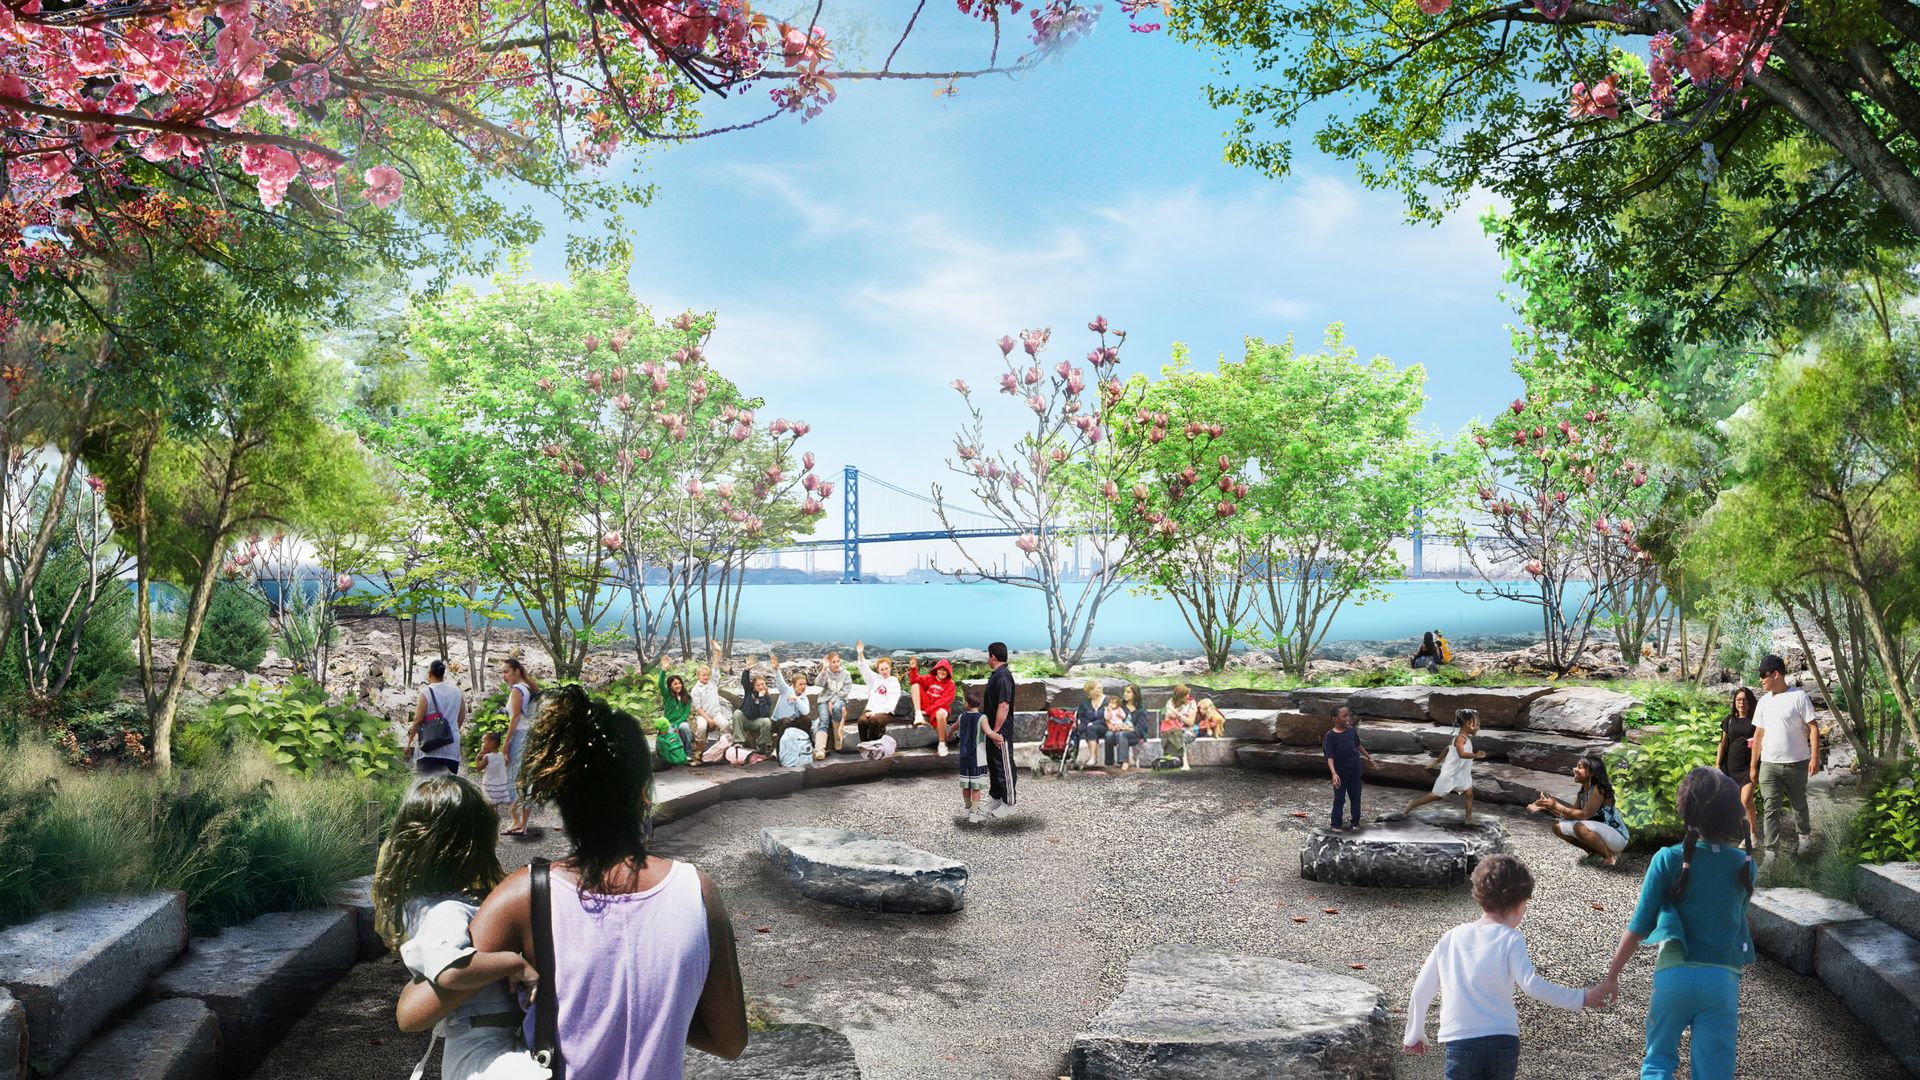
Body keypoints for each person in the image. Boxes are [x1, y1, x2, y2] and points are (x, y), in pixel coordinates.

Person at [399, 685, 749, 1074]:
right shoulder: (697, 892)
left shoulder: (524, 896)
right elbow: (729, 1041)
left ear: (561, 800)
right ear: (643, 795)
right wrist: (657, 1005)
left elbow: (414, 1014)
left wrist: (508, 964)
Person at [373, 775, 545, 1080]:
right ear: (472, 845)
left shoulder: (431, 904)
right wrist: (513, 962)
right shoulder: (446, 912)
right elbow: (451, 970)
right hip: (482, 1053)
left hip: (481, 1045)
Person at [1598, 768, 1756, 1080]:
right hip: (1721, 981)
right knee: (1714, 1071)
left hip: (1673, 975)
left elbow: (1639, 925)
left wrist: (1612, 975)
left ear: (1684, 809)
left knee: (1658, 1062)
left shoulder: (1667, 859)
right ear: (1732, 815)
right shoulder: (1744, 866)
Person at [1403, 854, 1602, 1079]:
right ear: (1519, 903)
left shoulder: (1452, 937)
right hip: (1503, 1038)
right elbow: (1531, 985)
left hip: (1461, 1039)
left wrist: (1415, 1031)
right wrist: (1580, 997)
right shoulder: (1511, 939)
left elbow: (1422, 989)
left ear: (1479, 894)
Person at [1750, 654, 1820, 864]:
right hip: (1769, 765)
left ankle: (1804, 840)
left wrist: (1814, 757)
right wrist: (1754, 765)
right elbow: (1758, 735)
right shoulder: (1763, 701)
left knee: (1799, 805)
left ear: (1776, 674)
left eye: (1764, 674)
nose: (1761, 679)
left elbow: (1813, 728)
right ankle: (1771, 853)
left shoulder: (1799, 696)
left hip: (1796, 763)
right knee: (1770, 808)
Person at [1530, 753, 1630, 868]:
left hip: (1617, 836)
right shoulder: (1583, 792)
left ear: (1592, 773)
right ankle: (1595, 852)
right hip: (1600, 833)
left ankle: (1609, 857)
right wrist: (1549, 807)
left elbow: (1583, 815)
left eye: (1580, 767)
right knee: (1557, 826)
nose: (1575, 770)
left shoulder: (1598, 789)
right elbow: (1571, 814)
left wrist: (1556, 805)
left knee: (1580, 827)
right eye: (1576, 767)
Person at [1401, 709, 1486, 822]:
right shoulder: (1460, 739)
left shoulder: (1463, 739)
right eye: (1478, 724)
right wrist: (1475, 755)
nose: (1479, 727)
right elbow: (1461, 754)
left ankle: (1469, 819)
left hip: (1461, 773)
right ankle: (1412, 804)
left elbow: (1447, 749)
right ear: (1469, 723)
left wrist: (1437, 761)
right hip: (1451, 774)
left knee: (1469, 793)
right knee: (1437, 796)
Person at [1714, 687, 1760, 850]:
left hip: (1748, 767)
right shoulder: (1729, 720)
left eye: (1745, 700)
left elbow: (1762, 740)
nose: (1741, 703)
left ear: (1750, 702)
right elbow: (1723, 743)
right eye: (1739, 700)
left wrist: (1755, 742)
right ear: (1735, 702)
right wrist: (1718, 765)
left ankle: (1753, 834)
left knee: (1746, 800)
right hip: (1729, 767)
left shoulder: (1756, 720)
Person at [499, 658, 541, 837]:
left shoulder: (518, 690)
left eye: (506, 672)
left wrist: (505, 744)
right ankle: (523, 825)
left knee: (512, 779)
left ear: (516, 671)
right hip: (532, 736)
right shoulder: (530, 688)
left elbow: (515, 718)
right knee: (527, 781)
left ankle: (516, 820)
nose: (504, 676)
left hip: (520, 736)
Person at [410, 659, 468, 777]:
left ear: (429, 674)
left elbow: (418, 720)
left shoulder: (426, 692)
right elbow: (462, 716)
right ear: (443, 674)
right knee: (449, 787)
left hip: (429, 748)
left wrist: (409, 742)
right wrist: (451, 731)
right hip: (451, 748)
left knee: (426, 788)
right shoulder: (457, 692)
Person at [981, 641, 1018, 817]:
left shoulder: (1003, 676)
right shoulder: (996, 675)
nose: (988, 659)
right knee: (994, 765)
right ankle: (996, 798)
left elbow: (1003, 706)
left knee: (1004, 765)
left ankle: (1009, 803)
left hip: (1000, 731)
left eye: (988, 656)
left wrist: (995, 732)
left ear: (992, 656)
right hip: (992, 729)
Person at [1323, 706, 1377, 832]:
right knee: (1339, 799)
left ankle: (1355, 822)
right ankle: (1336, 824)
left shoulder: (1351, 731)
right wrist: (1334, 774)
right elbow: (1329, 757)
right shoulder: (1330, 736)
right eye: (1344, 716)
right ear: (1335, 718)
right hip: (1340, 772)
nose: (1348, 718)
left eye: (1348, 715)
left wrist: (1369, 757)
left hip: (1355, 770)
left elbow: (1358, 745)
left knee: (1356, 797)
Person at [908, 657, 959, 758]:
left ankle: (942, 743)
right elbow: (914, 680)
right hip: (927, 704)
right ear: (936, 669)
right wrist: (913, 668)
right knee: (915, 686)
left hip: (939, 708)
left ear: (948, 672)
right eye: (940, 669)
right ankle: (918, 714)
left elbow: (944, 702)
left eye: (945, 670)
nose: (942, 672)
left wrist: (928, 711)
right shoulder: (929, 678)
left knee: (941, 713)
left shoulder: (950, 685)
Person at [728, 651, 776, 756]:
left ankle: (761, 745)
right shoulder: (749, 691)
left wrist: (762, 698)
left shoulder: (767, 698)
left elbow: (765, 714)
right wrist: (747, 669)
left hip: (757, 722)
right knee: (737, 713)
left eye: (762, 684)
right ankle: (738, 742)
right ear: (754, 686)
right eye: (758, 685)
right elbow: (744, 681)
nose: (760, 687)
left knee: (767, 721)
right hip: (746, 719)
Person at [854, 640, 902, 744]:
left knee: (874, 721)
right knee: (862, 721)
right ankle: (864, 745)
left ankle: (873, 745)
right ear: (878, 670)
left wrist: (874, 713)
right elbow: (864, 668)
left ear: (890, 668)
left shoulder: (894, 682)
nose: (884, 671)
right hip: (871, 710)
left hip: (885, 712)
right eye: (882, 669)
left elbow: (891, 702)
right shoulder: (875, 679)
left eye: (886, 668)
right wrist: (860, 653)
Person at [956, 687, 990, 821]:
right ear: (979, 703)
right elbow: (988, 732)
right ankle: (974, 814)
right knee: (976, 786)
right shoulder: (982, 718)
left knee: (966, 784)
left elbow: (953, 727)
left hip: (964, 756)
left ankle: (967, 809)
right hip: (978, 757)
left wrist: (948, 734)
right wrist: (998, 737)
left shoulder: (961, 716)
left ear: (966, 703)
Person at [813, 650, 853, 759]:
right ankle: (820, 750)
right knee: (824, 720)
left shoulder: (845, 674)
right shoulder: (826, 672)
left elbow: (846, 690)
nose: (836, 664)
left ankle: (837, 740)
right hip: (824, 700)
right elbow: (818, 683)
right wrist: (823, 670)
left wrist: (833, 700)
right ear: (829, 663)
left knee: (836, 707)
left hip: (839, 699)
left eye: (838, 661)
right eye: (833, 662)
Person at [688, 662, 726, 763]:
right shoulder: (695, 690)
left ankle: (721, 750)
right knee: (701, 727)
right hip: (703, 715)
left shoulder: (713, 683)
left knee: (725, 725)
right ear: (698, 676)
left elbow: (716, 666)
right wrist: (709, 720)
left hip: (716, 714)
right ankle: (698, 752)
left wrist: (716, 652)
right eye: (703, 675)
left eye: (708, 675)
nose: (706, 677)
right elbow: (698, 708)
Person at [658, 667, 696, 763]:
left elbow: (685, 714)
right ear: (670, 686)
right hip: (669, 723)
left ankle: (688, 753)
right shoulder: (667, 695)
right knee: (671, 734)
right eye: (675, 684)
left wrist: (677, 725)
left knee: (685, 728)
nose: (678, 685)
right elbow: (660, 684)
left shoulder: (687, 698)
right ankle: (672, 756)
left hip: (681, 722)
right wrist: (663, 670)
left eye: (679, 683)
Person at [1072, 679, 1111, 771]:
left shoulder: (1108, 700)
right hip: (1088, 726)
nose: (1101, 689)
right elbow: (1081, 717)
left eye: (1101, 687)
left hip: (1104, 726)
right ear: (1091, 690)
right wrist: (1085, 724)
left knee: (1091, 729)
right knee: (1076, 730)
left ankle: (1093, 757)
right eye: (1098, 688)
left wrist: (1093, 723)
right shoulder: (1085, 703)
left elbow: (1109, 717)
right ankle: (1072, 756)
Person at [1103, 688, 1142, 770]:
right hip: (1117, 730)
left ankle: (1124, 761)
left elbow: (1142, 726)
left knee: (1121, 734)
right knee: (1108, 734)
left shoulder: (1140, 709)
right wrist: (1109, 725)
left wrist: (1128, 728)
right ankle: (1109, 763)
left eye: (1128, 692)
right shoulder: (1119, 705)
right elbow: (1108, 718)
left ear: (1134, 695)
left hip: (1133, 734)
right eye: (1125, 692)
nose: (1125, 694)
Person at [1162, 684, 1199, 770]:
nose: (1188, 696)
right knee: (1172, 734)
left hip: (1189, 732)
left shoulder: (1192, 703)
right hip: (1174, 730)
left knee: (1180, 736)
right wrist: (1169, 714)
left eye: (1188, 694)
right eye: (1186, 694)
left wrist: (1177, 714)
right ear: (1179, 696)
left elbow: (1191, 722)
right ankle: (1172, 761)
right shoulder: (1170, 702)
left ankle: (1185, 763)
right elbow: (1167, 718)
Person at [477, 732, 514, 812]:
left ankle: (491, 821)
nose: (482, 745)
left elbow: (479, 768)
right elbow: (507, 763)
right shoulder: (501, 755)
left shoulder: (487, 757)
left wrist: (477, 759)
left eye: (483, 742)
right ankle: (496, 820)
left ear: (491, 744)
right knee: (495, 806)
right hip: (500, 787)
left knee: (488, 807)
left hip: (490, 787)